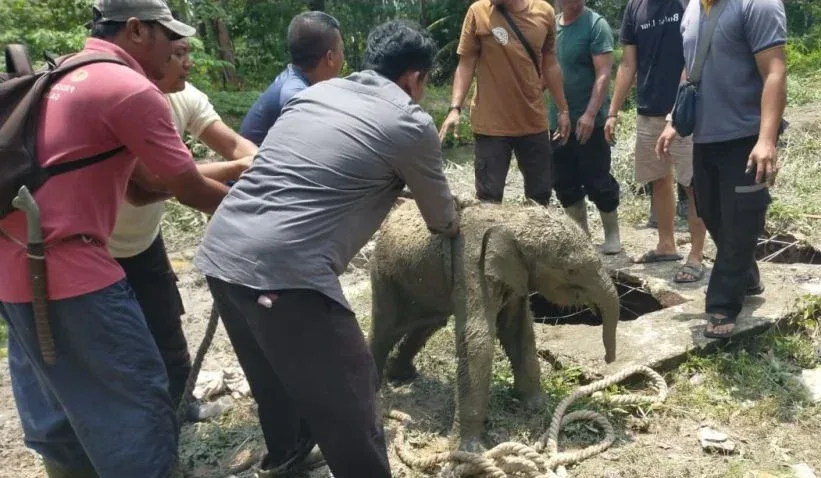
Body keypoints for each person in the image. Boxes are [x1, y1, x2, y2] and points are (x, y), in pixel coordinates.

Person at [193, 20, 458, 478]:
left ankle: (288, 457)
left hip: (221, 251)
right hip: (284, 272)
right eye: (426, 81)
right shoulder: (411, 122)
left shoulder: (314, 94)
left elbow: (303, 173)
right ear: (415, 77)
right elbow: (442, 220)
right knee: (350, 395)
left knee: (274, 377)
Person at [0, 1, 230, 477]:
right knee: (137, 407)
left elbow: (140, 187)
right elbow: (187, 188)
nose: (174, 51)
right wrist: (270, 213)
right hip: (72, 274)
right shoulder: (129, 89)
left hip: (16, 269)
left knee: (57, 406)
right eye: (169, 37)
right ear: (136, 30)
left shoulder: (62, 72)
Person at [109, 35, 258, 421]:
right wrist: (239, 182)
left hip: (144, 239)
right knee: (119, 340)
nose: (187, 62)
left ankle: (181, 406)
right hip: (97, 247)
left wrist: (269, 166)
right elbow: (145, 187)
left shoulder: (183, 96)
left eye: (189, 51)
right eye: (177, 53)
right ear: (146, 50)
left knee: (166, 323)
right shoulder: (123, 101)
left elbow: (233, 143)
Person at [657, 0, 787, 338]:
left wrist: (767, 139)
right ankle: (747, 276)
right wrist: (674, 118)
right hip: (706, 135)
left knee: (741, 217)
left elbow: (774, 70)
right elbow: (690, 69)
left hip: (746, 136)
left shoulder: (757, 5)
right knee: (712, 213)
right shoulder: (692, 9)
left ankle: (723, 303)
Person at [605, 0, 708, 283]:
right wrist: (613, 111)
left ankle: (697, 254)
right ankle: (666, 245)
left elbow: (694, 55)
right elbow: (628, 64)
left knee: (692, 184)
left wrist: (679, 108)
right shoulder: (634, 8)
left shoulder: (686, 3)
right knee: (659, 179)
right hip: (648, 109)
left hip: (685, 111)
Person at [438, 0, 571, 205]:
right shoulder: (478, 12)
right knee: (488, 199)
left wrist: (563, 110)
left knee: (540, 196)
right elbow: (466, 64)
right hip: (490, 126)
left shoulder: (544, 12)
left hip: (532, 121)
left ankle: (533, 238)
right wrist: (455, 108)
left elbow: (550, 64)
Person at [549, 0, 621, 254]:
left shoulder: (595, 25)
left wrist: (590, 114)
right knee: (563, 180)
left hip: (590, 120)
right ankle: (580, 237)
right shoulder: (551, 26)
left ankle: (612, 235)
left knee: (597, 178)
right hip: (556, 120)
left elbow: (603, 73)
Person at [239, 11, 344, 146]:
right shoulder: (296, 96)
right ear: (330, 57)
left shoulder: (297, 82)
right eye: (341, 49)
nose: (343, 56)